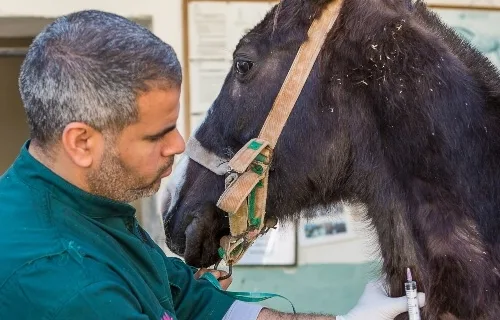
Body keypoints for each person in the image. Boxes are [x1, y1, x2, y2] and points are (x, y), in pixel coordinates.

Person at [0, 9, 425, 320]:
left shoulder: (91, 207)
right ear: (82, 142)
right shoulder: (66, 283)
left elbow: (188, 298)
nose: (179, 144)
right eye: (157, 135)